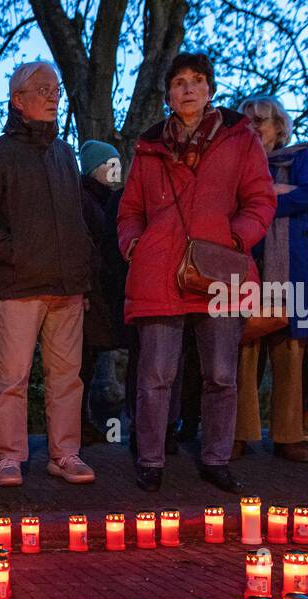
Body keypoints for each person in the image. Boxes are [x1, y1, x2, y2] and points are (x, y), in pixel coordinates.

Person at [117, 52, 276, 493]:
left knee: (221, 374)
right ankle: (150, 460)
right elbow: (129, 209)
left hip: (220, 269)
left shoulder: (240, 140)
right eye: (179, 81)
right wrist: (134, 245)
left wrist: (235, 239)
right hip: (159, 270)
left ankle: (216, 458)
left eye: (197, 80)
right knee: (155, 374)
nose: (188, 88)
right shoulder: (149, 148)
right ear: (168, 94)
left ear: (210, 90)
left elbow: (261, 200)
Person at [0, 60, 96, 487]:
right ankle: (8, 457)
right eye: (42, 88)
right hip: (18, 287)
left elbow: (77, 219)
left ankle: (65, 453)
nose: (53, 95)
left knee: (66, 379)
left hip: (67, 289)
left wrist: (82, 275)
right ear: (17, 100)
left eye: (55, 88)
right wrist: (18, 256)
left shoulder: (64, 154)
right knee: (12, 379)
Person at [233, 96, 308, 464]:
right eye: (249, 120)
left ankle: (287, 437)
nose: (255, 127)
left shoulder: (302, 155)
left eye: (263, 120)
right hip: (247, 266)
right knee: (243, 349)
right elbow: (232, 206)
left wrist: (261, 197)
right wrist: (276, 193)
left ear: (279, 126)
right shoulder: (235, 163)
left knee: (290, 353)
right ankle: (239, 433)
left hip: (294, 266)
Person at [78, 139, 127, 445]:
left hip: (102, 292)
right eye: (111, 164)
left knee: (93, 360)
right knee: (83, 361)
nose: (116, 170)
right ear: (96, 168)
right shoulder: (84, 200)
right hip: (90, 291)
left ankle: (88, 423)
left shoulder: (108, 200)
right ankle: (80, 424)